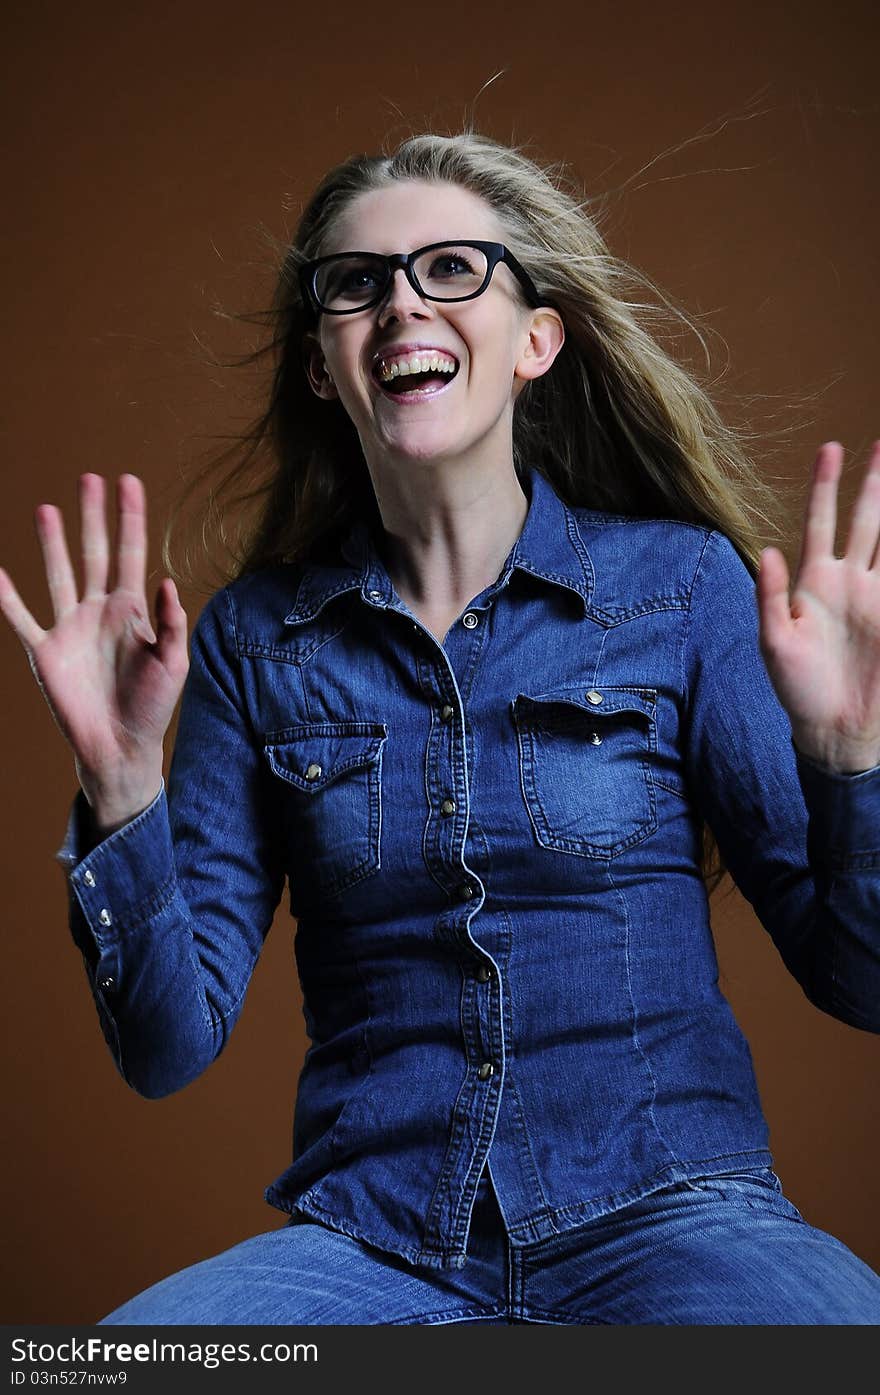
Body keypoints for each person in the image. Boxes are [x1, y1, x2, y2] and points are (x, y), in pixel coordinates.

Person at [2, 130, 880, 1326]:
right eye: (356, 282)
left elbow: (860, 979)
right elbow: (167, 1047)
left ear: (537, 339)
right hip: (375, 1246)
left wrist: (851, 764)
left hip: (671, 1217)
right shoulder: (254, 640)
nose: (402, 299)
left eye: (452, 268)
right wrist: (120, 790)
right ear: (325, 362)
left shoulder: (682, 590)